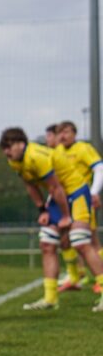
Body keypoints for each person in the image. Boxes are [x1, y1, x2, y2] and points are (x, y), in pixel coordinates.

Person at [0, 127, 103, 312]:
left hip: (75, 192)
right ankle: (50, 298)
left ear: (21, 144)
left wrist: (65, 217)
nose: (6, 151)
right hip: (58, 197)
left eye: (9, 147)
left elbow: (55, 187)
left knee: (80, 242)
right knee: (47, 244)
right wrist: (42, 210)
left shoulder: (36, 156)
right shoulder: (14, 161)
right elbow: (30, 185)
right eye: (4, 148)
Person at [56, 121, 103, 292]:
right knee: (66, 239)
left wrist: (94, 192)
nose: (63, 135)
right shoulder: (58, 151)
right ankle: (76, 275)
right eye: (60, 132)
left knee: (90, 239)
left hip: (81, 199)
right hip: (63, 201)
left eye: (67, 131)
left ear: (74, 134)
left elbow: (99, 168)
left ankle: (100, 278)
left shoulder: (83, 148)